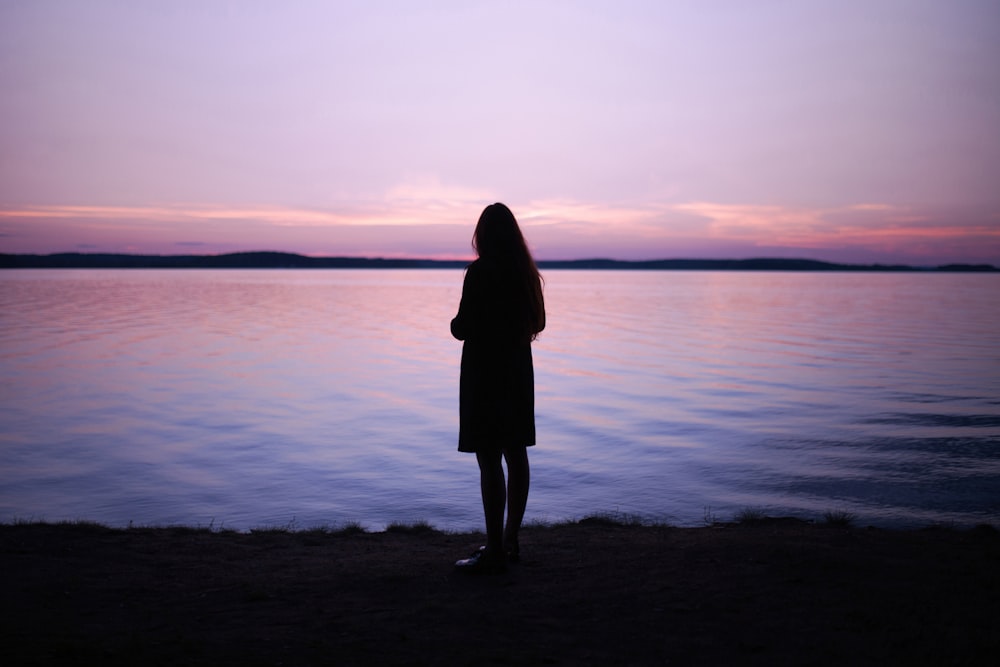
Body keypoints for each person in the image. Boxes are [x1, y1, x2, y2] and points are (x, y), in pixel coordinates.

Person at [450, 203, 546, 574]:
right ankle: (510, 539)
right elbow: (538, 322)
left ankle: (494, 550)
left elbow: (463, 327)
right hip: (518, 371)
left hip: (484, 372)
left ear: (483, 236)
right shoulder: (526, 274)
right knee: (516, 453)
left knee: (489, 458)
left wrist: (457, 324)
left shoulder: (479, 272)